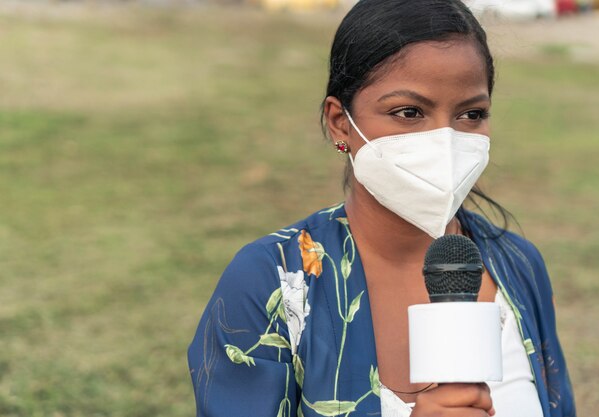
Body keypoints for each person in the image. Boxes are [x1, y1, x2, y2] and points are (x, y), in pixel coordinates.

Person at [187, 0, 577, 416]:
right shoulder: (272, 282)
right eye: (409, 112)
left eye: (471, 113)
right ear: (340, 123)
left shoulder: (517, 265)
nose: (445, 141)